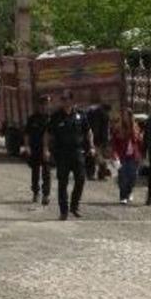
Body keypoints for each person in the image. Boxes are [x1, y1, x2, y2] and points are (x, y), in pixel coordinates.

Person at [44, 92, 94, 220]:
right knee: (63, 183)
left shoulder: (80, 115)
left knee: (81, 179)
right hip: (62, 154)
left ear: (72, 101)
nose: (65, 101)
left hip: (77, 152)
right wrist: (46, 150)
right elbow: (48, 134)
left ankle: (74, 206)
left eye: (67, 99)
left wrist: (92, 146)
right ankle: (64, 211)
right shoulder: (56, 117)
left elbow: (88, 132)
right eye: (63, 99)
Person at [22, 95, 53, 205]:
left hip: (48, 150)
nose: (45, 106)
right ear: (39, 105)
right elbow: (26, 134)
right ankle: (36, 192)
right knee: (35, 172)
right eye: (43, 104)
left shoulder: (52, 118)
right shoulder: (33, 118)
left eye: (47, 104)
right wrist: (27, 147)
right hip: (35, 148)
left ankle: (46, 194)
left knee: (47, 172)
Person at [112, 108, 144, 205]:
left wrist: (142, 153)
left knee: (133, 176)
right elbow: (114, 143)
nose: (126, 117)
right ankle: (123, 196)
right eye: (124, 115)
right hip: (122, 155)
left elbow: (139, 142)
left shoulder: (135, 127)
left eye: (128, 115)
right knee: (123, 176)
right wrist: (114, 155)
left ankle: (129, 192)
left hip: (134, 156)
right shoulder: (118, 128)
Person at [87, 102, 113, 180]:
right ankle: (101, 174)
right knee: (99, 157)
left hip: (93, 138)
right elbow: (105, 130)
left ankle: (92, 174)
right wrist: (106, 141)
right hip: (99, 139)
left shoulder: (92, 112)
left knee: (93, 156)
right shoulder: (104, 115)